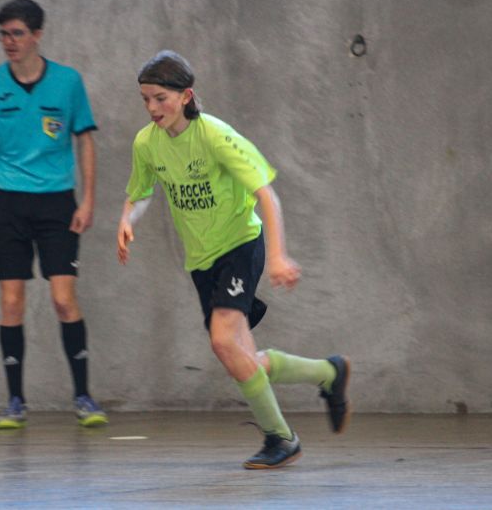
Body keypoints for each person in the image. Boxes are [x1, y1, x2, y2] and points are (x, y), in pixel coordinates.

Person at [117, 50, 350, 469]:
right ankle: (329, 373)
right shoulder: (146, 144)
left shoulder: (215, 136)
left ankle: (282, 438)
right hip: (201, 262)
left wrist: (278, 256)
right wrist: (126, 219)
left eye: (161, 99)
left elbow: (266, 195)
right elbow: (140, 192)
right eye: (146, 100)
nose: (152, 108)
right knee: (244, 360)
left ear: (186, 96)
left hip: (240, 246)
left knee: (222, 341)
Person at [0, 0, 107, 429]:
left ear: (37, 35)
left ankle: (83, 396)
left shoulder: (67, 82)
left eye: (17, 33)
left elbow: (85, 140)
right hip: (8, 203)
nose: (9, 42)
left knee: (64, 300)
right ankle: (15, 401)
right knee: (11, 303)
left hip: (57, 202)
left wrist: (88, 200)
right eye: (3, 34)